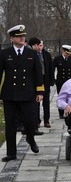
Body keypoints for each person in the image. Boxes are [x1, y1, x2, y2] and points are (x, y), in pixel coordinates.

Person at [0, 25, 44, 162]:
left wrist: (40, 91)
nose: (22, 38)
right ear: (12, 38)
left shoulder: (31, 54)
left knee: (30, 121)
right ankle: (11, 153)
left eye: (23, 36)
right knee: (10, 124)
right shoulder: (4, 54)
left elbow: (38, 74)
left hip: (28, 94)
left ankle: (30, 138)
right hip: (10, 94)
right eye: (19, 36)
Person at [29, 38, 54, 128]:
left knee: (46, 102)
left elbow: (51, 68)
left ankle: (46, 120)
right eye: (38, 45)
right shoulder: (32, 54)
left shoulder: (47, 55)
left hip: (45, 80)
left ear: (43, 46)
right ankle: (37, 121)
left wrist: (52, 80)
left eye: (41, 45)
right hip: (36, 81)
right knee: (37, 102)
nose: (39, 47)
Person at [53, 45, 71, 119]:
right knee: (61, 97)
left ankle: (69, 111)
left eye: (69, 54)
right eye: (66, 53)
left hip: (69, 80)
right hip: (60, 81)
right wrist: (53, 79)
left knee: (70, 96)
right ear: (63, 51)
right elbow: (52, 69)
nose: (68, 55)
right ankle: (61, 113)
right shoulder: (57, 59)